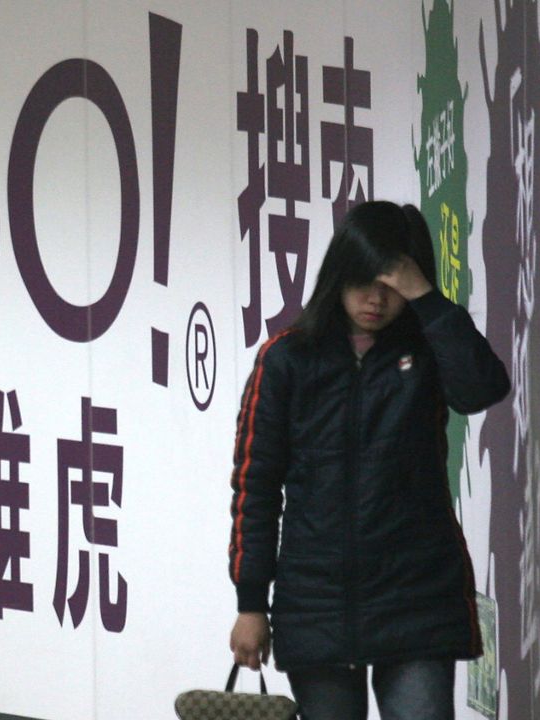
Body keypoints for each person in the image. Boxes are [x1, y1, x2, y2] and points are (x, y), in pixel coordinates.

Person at [226, 201, 510, 719]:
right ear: (339, 274)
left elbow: (481, 387)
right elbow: (255, 488)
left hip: (416, 595)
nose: (375, 299)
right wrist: (251, 603)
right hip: (316, 600)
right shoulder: (287, 359)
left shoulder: (427, 349)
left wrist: (426, 296)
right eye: (363, 280)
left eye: (392, 284)